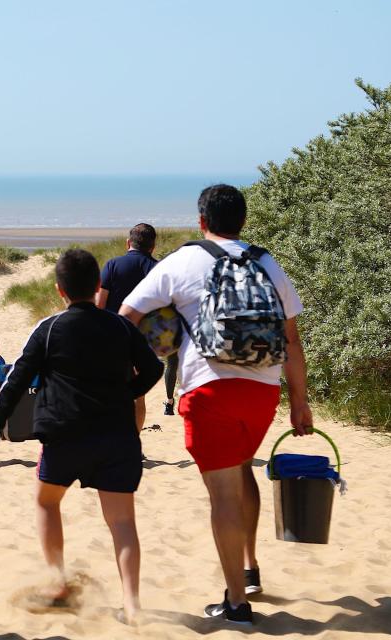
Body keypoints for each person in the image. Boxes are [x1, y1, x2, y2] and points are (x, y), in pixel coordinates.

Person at [120, 184, 314, 625]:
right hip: (264, 391)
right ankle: (248, 568)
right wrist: (300, 402)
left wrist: (152, 347)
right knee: (243, 468)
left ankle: (236, 606)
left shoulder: (184, 260)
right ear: (242, 222)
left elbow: (127, 316)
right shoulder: (267, 263)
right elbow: (293, 340)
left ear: (202, 221)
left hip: (209, 389)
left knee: (223, 492)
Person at [0, 249, 162, 622]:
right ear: (98, 287)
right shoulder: (120, 326)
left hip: (64, 435)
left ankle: (57, 582)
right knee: (122, 522)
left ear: (60, 290)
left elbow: (14, 383)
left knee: (47, 502)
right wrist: (125, 393)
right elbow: (154, 368)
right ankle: (131, 603)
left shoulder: (49, 329)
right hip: (115, 435)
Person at [95, 223, 158, 432]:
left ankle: (113, 439)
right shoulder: (158, 270)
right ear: (153, 246)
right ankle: (134, 442)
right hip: (146, 340)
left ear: (128, 243)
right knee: (139, 396)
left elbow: (99, 305)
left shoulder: (113, 265)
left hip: (113, 337)